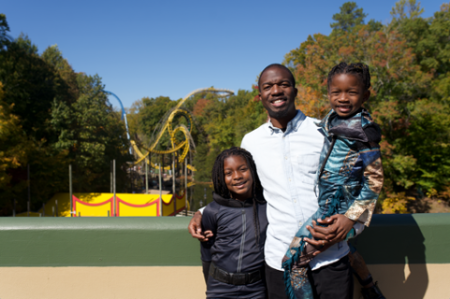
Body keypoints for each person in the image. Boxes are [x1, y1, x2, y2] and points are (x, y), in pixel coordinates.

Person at [189, 63, 364, 299]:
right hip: (278, 262)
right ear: (259, 95)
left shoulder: (325, 132)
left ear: (295, 90)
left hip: (330, 259)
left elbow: (359, 183)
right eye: (268, 86)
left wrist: (350, 218)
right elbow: (244, 191)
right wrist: (203, 211)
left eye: (283, 84)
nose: (276, 91)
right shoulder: (251, 141)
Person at [281, 62, 384, 299]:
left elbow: (375, 181)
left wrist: (350, 218)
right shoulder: (332, 119)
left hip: (339, 211)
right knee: (341, 249)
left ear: (365, 95)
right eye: (336, 92)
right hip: (329, 205)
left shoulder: (364, 132)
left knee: (293, 263)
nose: (343, 98)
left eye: (352, 92)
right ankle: (370, 289)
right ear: (328, 93)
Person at [201, 147, 268, 298]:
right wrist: (211, 287)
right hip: (220, 288)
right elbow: (206, 256)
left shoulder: (267, 206)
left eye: (243, 169)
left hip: (256, 289)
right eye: (228, 173)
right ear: (221, 177)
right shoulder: (212, 211)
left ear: (252, 170)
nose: (237, 176)